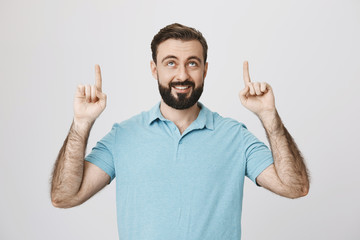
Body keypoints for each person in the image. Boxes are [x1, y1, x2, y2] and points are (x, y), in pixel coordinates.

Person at [51, 23, 309, 239]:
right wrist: (81, 124)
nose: (182, 74)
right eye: (171, 63)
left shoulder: (235, 136)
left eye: (193, 63)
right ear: (155, 69)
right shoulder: (123, 136)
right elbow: (64, 197)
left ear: (205, 69)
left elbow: (294, 187)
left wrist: (268, 116)